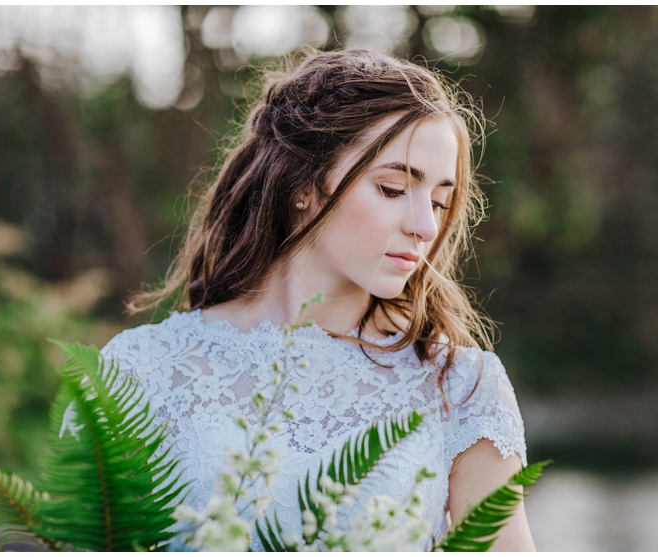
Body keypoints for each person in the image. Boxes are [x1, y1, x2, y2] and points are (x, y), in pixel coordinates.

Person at [74, 49, 534, 550]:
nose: (425, 226)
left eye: (440, 201)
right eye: (393, 188)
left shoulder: (461, 387)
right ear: (305, 185)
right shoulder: (137, 369)